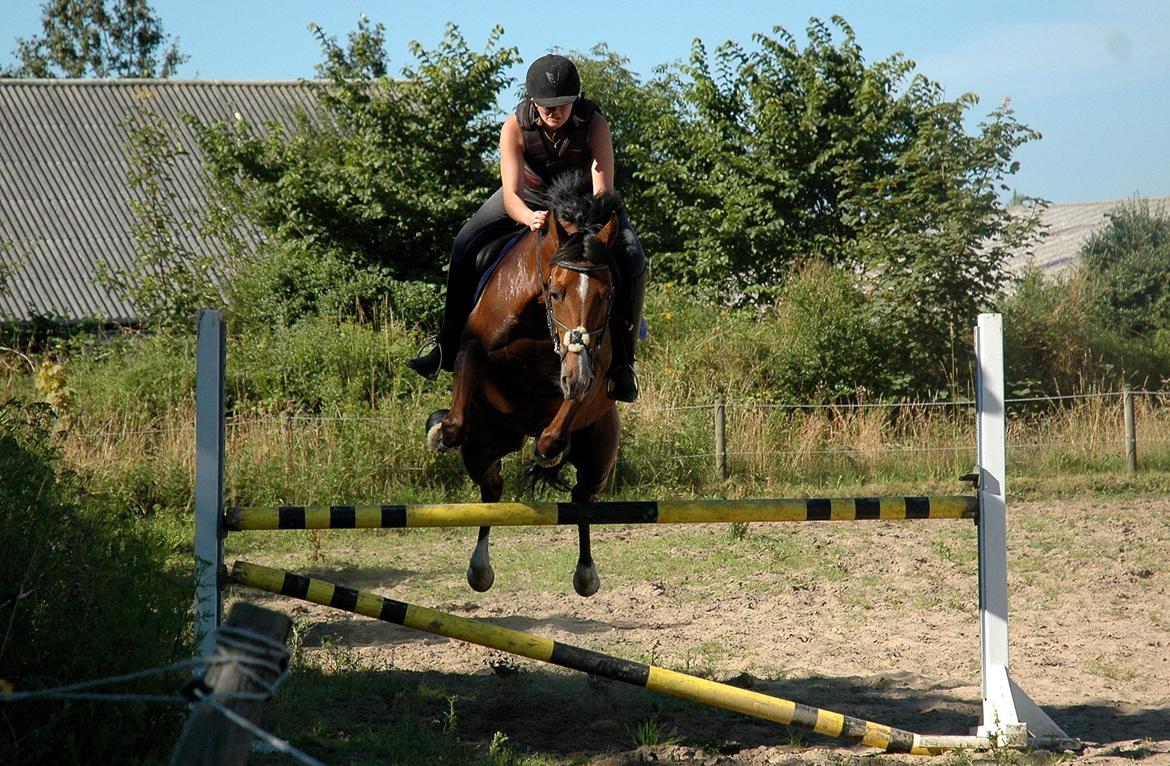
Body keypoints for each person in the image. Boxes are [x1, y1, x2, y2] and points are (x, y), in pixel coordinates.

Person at [406, 54, 646, 403]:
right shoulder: (515, 126)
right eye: (547, 106)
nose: (554, 113)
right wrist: (528, 218)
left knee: (633, 255)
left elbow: (602, 192)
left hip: (580, 205)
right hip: (526, 199)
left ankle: (624, 363)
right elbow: (511, 194)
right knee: (463, 244)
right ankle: (445, 344)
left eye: (562, 105)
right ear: (533, 102)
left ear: (574, 101)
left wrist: (593, 229)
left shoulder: (594, 124)